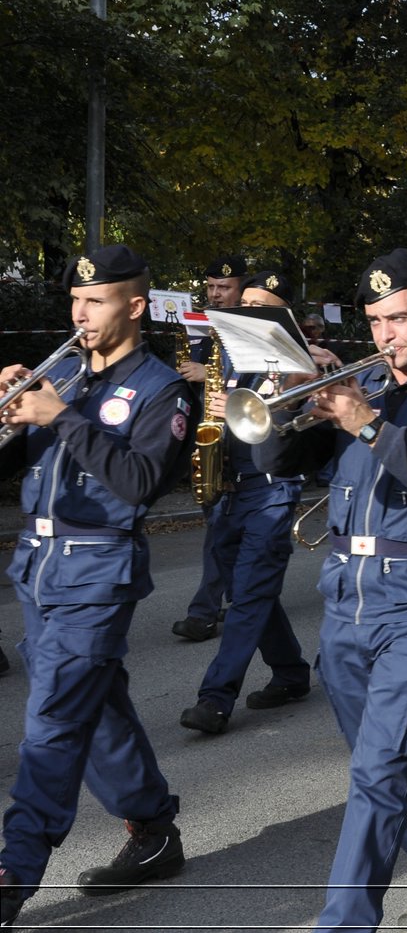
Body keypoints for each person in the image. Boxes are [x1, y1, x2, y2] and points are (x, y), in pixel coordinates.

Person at [252, 249, 407, 931]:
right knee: (387, 762)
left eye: (398, 317)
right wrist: (285, 399)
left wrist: (368, 424)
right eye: (375, 321)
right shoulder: (371, 391)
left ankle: (344, 922)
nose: (385, 334)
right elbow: (277, 461)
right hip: (347, 606)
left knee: (378, 772)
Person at [0, 245, 195, 927]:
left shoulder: (161, 388)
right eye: (75, 302)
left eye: (96, 301)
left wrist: (60, 417)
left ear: (134, 305)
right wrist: (9, 409)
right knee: (96, 705)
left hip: (97, 570)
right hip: (37, 563)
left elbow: (140, 484)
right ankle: (153, 829)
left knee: (53, 720)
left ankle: (13, 868)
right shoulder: (63, 375)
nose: (79, 314)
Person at [178, 269, 315, 736]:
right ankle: (292, 672)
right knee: (248, 594)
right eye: (246, 305)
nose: (247, 313)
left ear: (283, 316)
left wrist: (236, 402)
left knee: (249, 595)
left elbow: (288, 426)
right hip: (230, 486)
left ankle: (215, 698)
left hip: (272, 488)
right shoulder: (231, 353)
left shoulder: (296, 360)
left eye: (261, 308)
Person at [172, 254, 248, 642]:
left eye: (224, 288)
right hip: (207, 438)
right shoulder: (202, 325)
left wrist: (209, 378)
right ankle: (243, 600)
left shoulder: (249, 328)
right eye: (211, 287)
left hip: (238, 444)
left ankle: (204, 612)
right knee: (222, 531)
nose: (215, 294)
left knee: (220, 529)